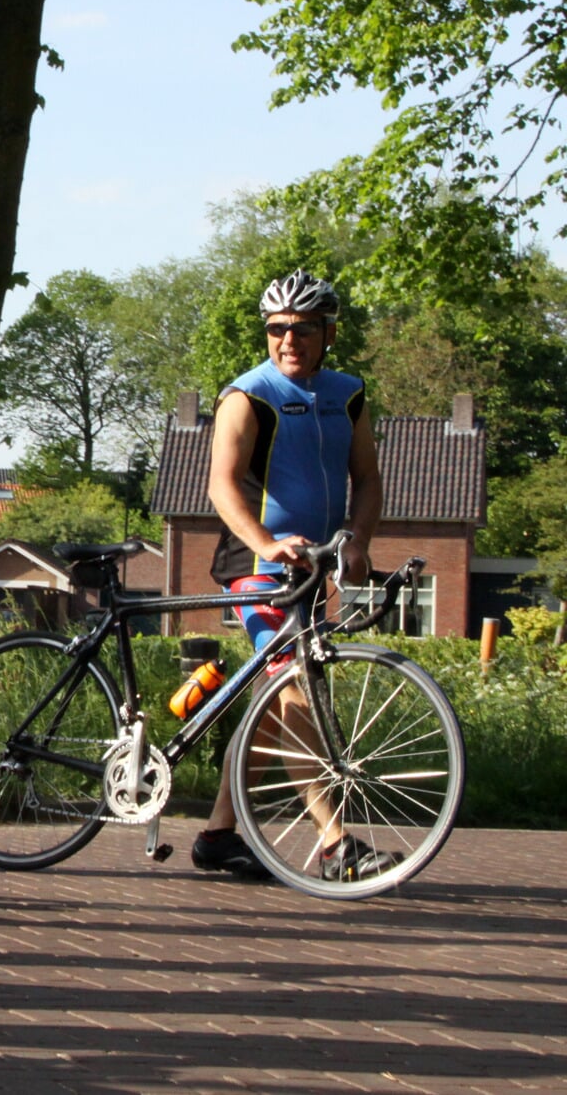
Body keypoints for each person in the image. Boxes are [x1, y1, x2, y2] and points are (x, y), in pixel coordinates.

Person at [196, 268, 395, 882]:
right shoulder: (246, 395)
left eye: (302, 329)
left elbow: (368, 478)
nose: (288, 340)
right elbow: (221, 486)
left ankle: (217, 835)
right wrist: (266, 542)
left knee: (271, 701)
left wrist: (358, 541)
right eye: (277, 329)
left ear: (327, 332)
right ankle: (336, 842)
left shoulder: (347, 393)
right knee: (292, 694)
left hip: (314, 572)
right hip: (257, 568)